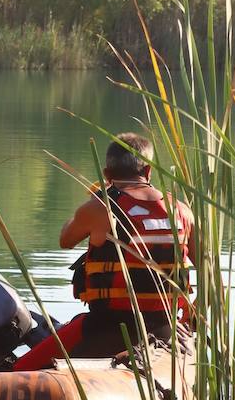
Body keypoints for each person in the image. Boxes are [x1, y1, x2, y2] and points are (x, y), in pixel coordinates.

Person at [14, 132, 195, 369]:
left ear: (107, 174)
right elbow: (213, 278)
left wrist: (96, 198)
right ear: (148, 171)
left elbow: (66, 240)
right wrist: (189, 322)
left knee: (18, 370)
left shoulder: (101, 207)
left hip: (106, 330)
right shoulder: (182, 212)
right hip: (162, 329)